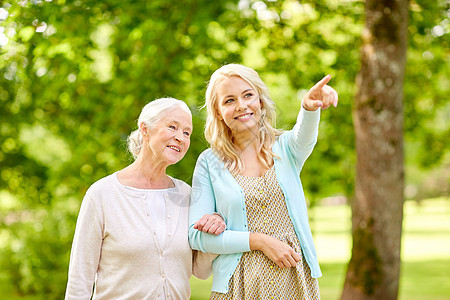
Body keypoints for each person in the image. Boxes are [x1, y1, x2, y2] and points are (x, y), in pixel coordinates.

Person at [188, 64, 338, 299]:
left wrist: (309, 106)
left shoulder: (287, 148)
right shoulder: (209, 162)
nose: (241, 105)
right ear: (218, 112)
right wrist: (259, 241)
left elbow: (306, 133)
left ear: (260, 101)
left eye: (248, 95)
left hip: (294, 281)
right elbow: (197, 236)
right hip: (237, 286)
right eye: (229, 100)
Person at [65, 97, 226, 300]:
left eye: (187, 133)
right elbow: (80, 281)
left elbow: (200, 271)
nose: (181, 137)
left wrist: (214, 230)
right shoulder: (102, 195)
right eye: (172, 127)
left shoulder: (187, 195)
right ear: (145, 129)